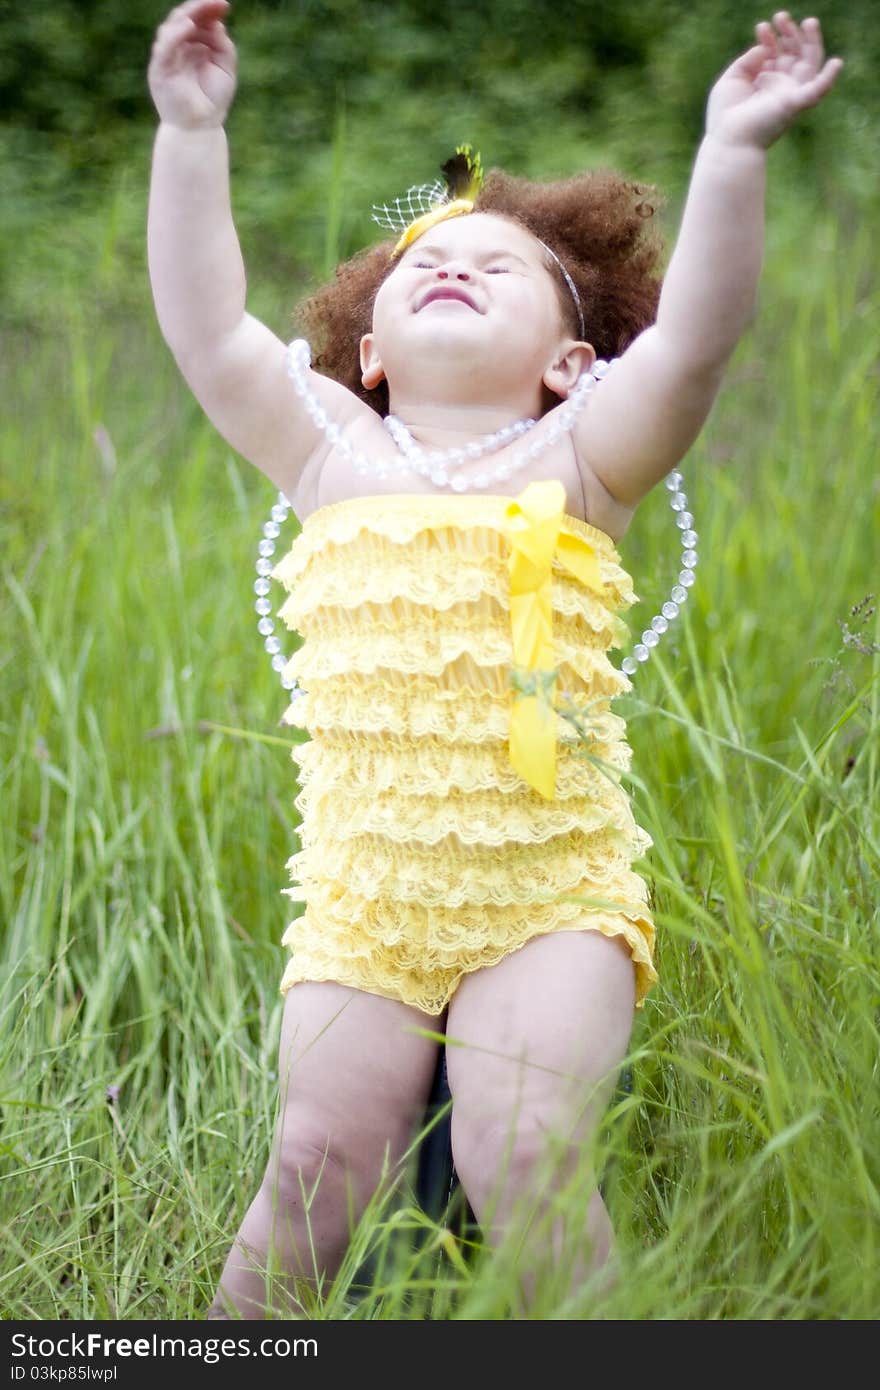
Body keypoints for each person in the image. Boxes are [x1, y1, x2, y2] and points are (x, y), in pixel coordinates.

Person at [147, 0, 843, 1318]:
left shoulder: (583, 458)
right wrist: (192, 132)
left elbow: (696, 340)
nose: (449, 267)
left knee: (522, 1151)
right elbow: (204, 328)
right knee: (312, 1164)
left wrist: (733, 151)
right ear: (366, 352)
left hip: (545, 900)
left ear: (573, 361)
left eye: (499, 266)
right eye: (422, 261)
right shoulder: (325, 457)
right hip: (365, 902)